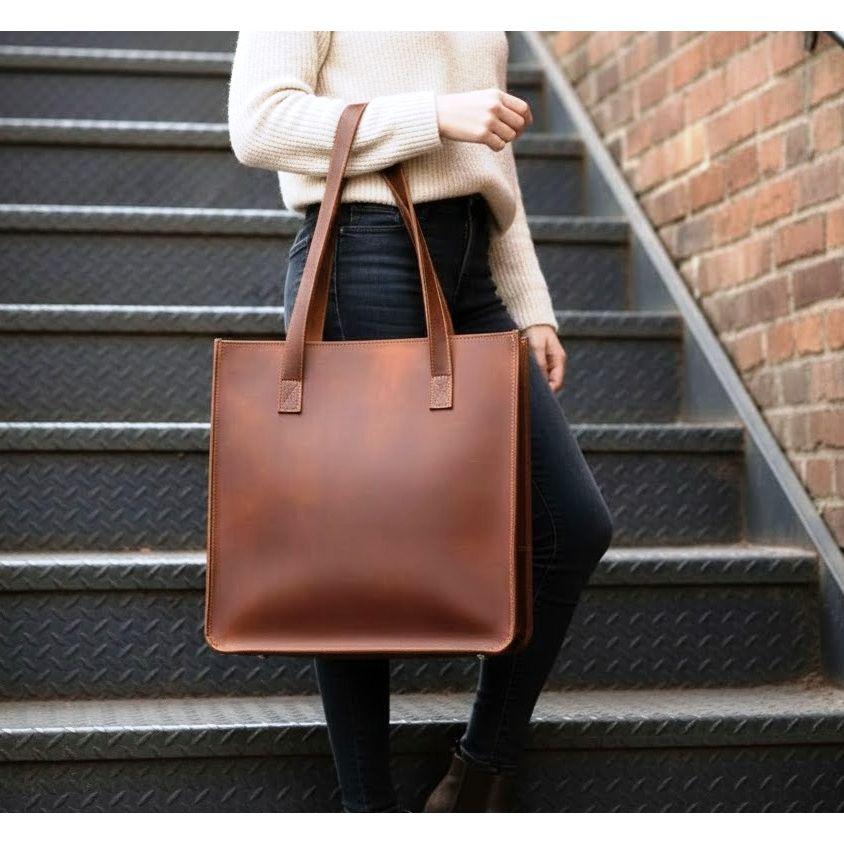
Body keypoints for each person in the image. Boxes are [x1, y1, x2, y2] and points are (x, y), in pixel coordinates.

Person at [227, 31, 614, 812]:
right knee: (354, 551)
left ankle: (481, 769)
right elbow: (259, 122)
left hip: (470, 266)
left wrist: (528, 300)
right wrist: (431, 114)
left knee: (570, 524)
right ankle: (367, 810)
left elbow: (488, 157)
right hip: (365, 248)